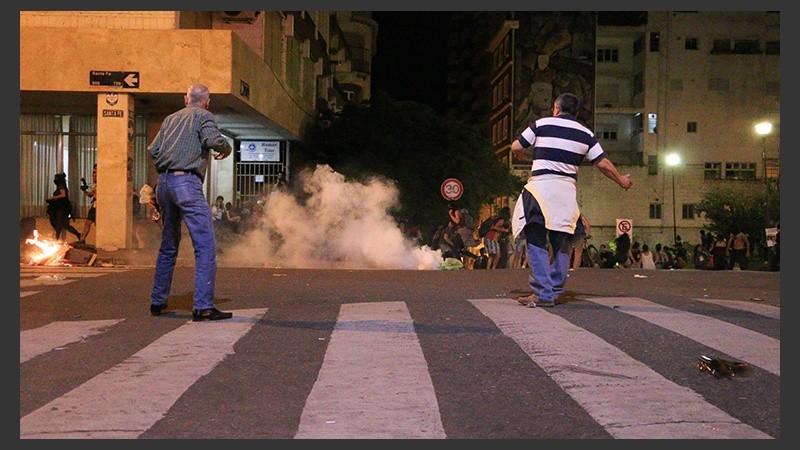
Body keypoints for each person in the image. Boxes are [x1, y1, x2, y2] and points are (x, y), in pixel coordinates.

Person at [510, 92, 632, 307]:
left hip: (540, 188)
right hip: (566, 192)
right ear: (575, 113)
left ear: (555, 109)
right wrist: (621, 180)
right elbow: (602, 163)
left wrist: (520, 155)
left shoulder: (541, 124)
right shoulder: (585, 134)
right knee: (562, 243)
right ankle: (555, 289)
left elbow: (516, 146)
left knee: (536, 241)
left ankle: (543, 292)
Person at [146, 83, 233, 322]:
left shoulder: (170, 119)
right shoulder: (204, 115)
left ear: (186, 98)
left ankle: (157, 301)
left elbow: (153, 150)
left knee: (168, 244)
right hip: (187, 182)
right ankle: (203, 306)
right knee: (205, 245)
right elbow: (214, 140)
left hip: (163, 183)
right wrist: (226, 148)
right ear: (207, 101)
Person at [46, 172, 82, 242]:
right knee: (65, 225)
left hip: (62, 208)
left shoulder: (61, 185)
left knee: (59, 224)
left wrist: (53, 197)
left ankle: (56, 240)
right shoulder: (60, 186)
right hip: (61, 207)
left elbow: (63, 195)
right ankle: (78, 235)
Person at [78, 163, 97, 244]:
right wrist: (84, 190)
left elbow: (92, 193)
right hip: (95, 205)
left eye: (96, 173)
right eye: (94, 173)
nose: (94, 175)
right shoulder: (95, 184)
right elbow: (90, 195)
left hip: (101, 206)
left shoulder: (103, 183)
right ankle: (82, 240)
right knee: (87, 223)